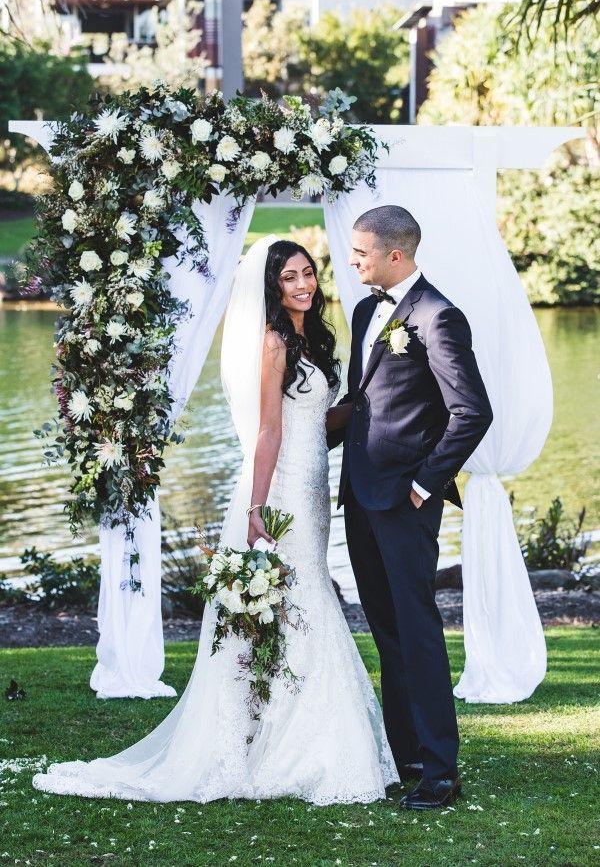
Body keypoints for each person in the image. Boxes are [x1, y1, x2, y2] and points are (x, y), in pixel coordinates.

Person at [32, 235, 398, 805]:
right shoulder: (274, 342)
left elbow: (318, 425)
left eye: (308, 274)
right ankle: (286, 741)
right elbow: (269, 431)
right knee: (300, 600)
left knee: (299, 600)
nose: (304, 285)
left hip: (313, 483)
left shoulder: (311, 336)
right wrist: (256, 507)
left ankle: (280, 731)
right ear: (272, 289)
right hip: (281, 491)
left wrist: (373, 398)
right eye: (290, 279)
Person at [328, 205, 493, 810]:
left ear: (395, 254)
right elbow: (365, 399)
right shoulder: (368, 311)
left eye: (361, 252)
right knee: (387, 631)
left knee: (417, 630)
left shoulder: (438, 317)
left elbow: (472, 411)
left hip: (405, 499)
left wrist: (426, 483)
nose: (352, 261)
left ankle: (441, 772)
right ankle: (407, 758)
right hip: (360, 494)